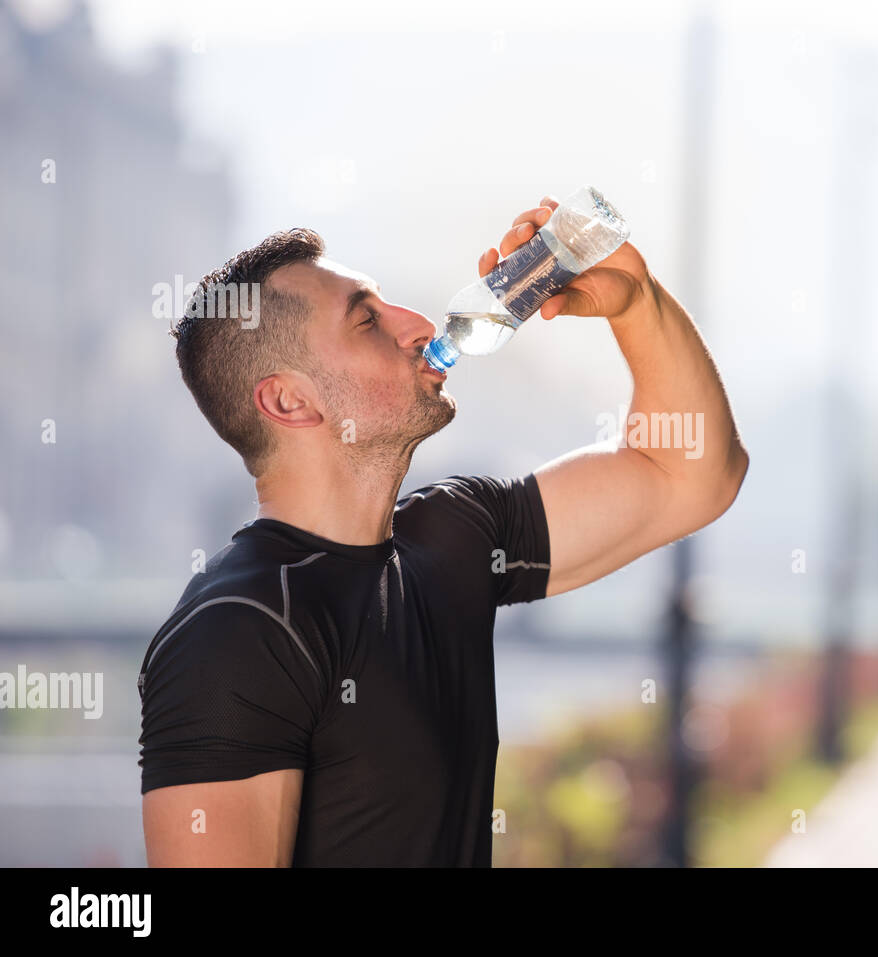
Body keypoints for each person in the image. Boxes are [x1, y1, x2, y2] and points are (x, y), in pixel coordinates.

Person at [137, 197, 749, 866]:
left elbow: (690, 472)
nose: (419, 324)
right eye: (367, 319)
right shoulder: (237, 630)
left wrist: (638, 303)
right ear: (289, 400)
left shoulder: (453, 536)